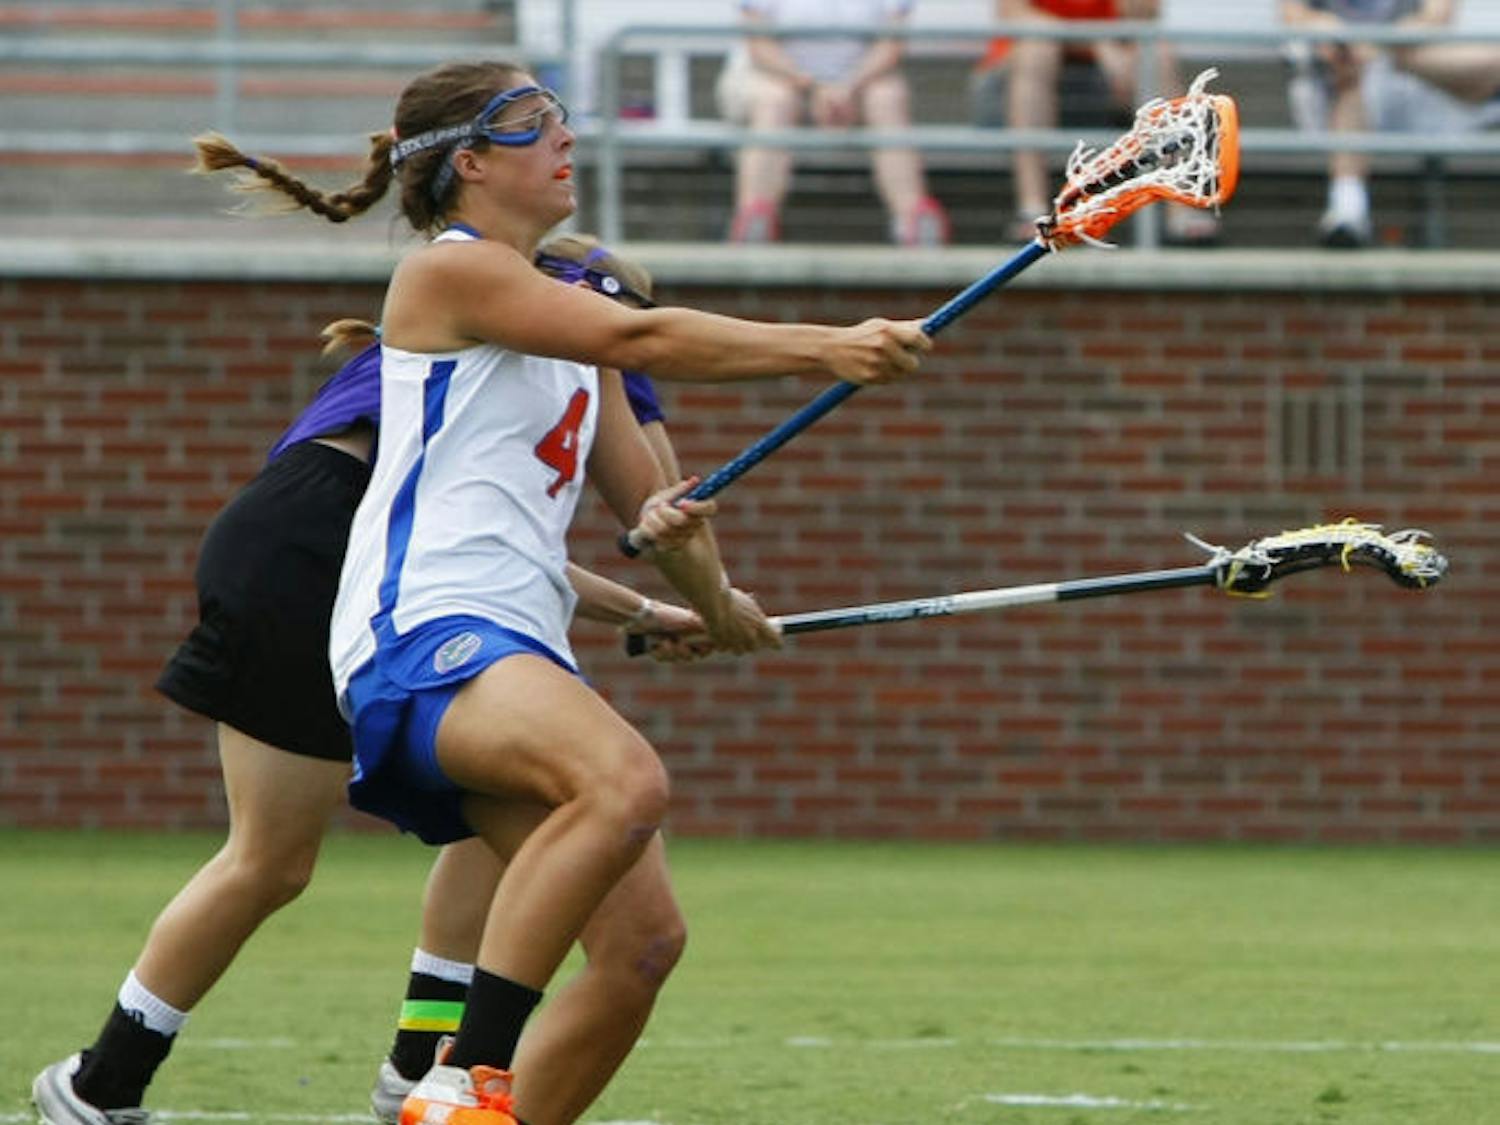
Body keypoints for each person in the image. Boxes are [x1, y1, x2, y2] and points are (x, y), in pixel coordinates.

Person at [166, 60, 928, 1125]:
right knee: (621, 781)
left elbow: (657, 512)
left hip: (516, 643)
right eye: (533, 125)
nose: (565, 138)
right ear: (468, 163)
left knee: (640, 950)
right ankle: (460, 1079)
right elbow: (644, 333)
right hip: (421, 625)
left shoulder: (574, 343)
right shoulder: (448, 273)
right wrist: (827, 347)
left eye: (562, 119)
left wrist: (712, 607)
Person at [27, 233, 747, 1125]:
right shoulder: (570, 333)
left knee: (364, 826)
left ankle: (126, 1080)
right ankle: (416, 1067)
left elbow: (512, 552)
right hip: (324, 558)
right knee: (294, 849)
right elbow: (645, 500)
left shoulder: (473, 339)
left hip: (302, 547)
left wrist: (652, 614)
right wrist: (710, 604)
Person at [972, 0, 1220, 244]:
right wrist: (1096, 40)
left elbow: (1145, 14)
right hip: (1020, 75)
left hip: (1110, 69)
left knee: (1158, 54)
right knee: (1036, 49)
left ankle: (1180, 206)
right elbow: (1014, 15)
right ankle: (1031, 209)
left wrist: (1111, 39)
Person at [716, 0, 951, 246]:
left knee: (887, 97)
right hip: (773, 76)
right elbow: (760, 47)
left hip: (859, 83)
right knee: (776, 100)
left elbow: (891, 45)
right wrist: (813, 86)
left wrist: (849, 86)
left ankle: (912, 220)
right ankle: (754, 222)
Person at [1282, 0, 1500, 247]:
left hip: (1411, 78)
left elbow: (1438, 17)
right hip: (1334, 93)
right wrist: (1338, 36)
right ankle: (1347, 211)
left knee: (1464, 59)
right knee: (1350, 74)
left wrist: (1379, 45)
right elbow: (1294, 16)